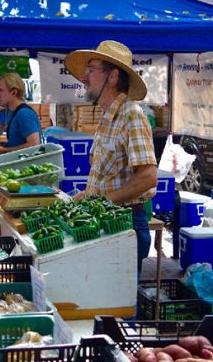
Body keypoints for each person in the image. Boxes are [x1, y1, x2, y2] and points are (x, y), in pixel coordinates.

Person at [65, 40, 157, 277]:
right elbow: (109, 176)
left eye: (91, 70)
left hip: (124, 222)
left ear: (113, 76)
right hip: (106, 222)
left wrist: (103, 203)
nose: (84, 77)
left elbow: (148, 177)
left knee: (119, 307)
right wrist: (86, 196)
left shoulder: (131, 115)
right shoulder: (108, 117)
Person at [0, 73, 41, 155]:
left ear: (13, 92)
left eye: (1, 90)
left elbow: (34, 145)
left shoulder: (24, 114)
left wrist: (4, 151)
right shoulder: (10, 111)